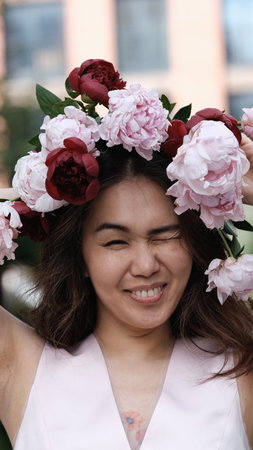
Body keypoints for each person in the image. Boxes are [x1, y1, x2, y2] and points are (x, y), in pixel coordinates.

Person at [0, 59, 253, 450]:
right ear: (79, 256)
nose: (146, 265)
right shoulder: (21, 365)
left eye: (165, 236)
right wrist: (22, 208)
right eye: (116, 242)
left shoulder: (241, 370)